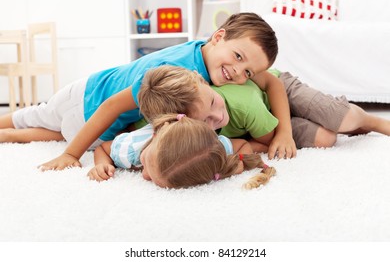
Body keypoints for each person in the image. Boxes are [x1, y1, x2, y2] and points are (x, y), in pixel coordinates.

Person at [1, 12, 294, 169]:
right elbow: (111, 107)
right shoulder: (174, 72)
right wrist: (72, 155)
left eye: (247, 73)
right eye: (238, 58)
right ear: (218, 37)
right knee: (34, 120)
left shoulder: (207, 55)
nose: (237, 73)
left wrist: (284, 133)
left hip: (95, 105)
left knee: (34, 123)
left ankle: (11, 135)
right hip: (90, 103)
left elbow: (273, 82)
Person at [212, 69, 390, 158]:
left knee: (339, 116)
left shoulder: (243, 104)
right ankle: (349, 126)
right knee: (326, 139)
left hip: (279, 89)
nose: (216, 118)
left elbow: (271, 85)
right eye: (207, 121)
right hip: (263, 125)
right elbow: (245, 146)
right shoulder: (201, 132)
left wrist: (284, 133)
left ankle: (372, 121)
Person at [87, 113, 276, 189]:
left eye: (153, 178)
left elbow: (242, 145)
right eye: (144, 162)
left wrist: (235, 164)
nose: (144, 176)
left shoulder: (213, 151)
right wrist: (102, 163)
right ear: (154, 137)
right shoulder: (128, 149)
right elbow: (103, 147)